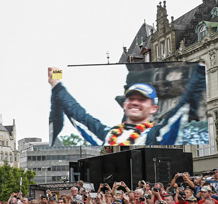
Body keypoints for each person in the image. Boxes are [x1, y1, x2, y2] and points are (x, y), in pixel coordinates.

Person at [47, 61, 207, 145]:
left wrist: (200, 70)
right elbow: (78, 114)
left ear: (153, 108)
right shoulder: (108, 134)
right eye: (131, 98)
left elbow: (185, 104)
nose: (135, 102)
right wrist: (56, 83)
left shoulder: (157, 135)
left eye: (142, 99)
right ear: (124, 104)